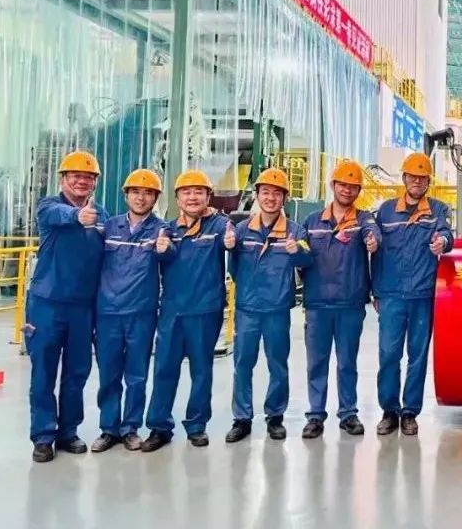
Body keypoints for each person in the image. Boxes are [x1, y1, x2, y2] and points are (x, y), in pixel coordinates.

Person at [26, 150, 108, 463]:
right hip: (47, 304)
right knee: (43, 372)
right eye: (75, 176)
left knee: (77, 373)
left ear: (95, 183)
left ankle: (68, 432)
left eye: (88, 177)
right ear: (63, 179)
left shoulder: (101, 215)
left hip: (83, 308)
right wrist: (76, 216)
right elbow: (58, 215)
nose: (81, 181)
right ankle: (43, 436)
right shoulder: (48, 206)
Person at [142, 170, 230, 452]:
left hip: (205, 311)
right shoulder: (167, 231)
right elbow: (157, 258)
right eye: (187, 192)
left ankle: (196, 425)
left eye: (198, 192)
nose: (193, 197)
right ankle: (159, 426)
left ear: (208, 196)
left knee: (201, 370)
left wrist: (231, 239)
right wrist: (161, 249)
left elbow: (233, 239)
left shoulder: (219, 226)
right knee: (164, 369)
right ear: (177, 198)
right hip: (172, 312)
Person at [223, 168, 312, 443]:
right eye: (265, 192)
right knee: (242, 363)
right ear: (257, 195)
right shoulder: (241, 230)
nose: (270, 198)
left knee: (278, 364)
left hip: (277, 309)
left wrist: (298, 252)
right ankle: (242, 418)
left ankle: (275, 416)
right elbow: (234, 268)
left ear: (284, 198)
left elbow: (308, 262)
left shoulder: (296, 231)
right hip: (248, 309)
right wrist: (230, 247)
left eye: (276, 193)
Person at [371, 152, 454, 436]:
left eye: (422, 178)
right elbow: (376, 251)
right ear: (404, 178)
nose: (417, 182)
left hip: (422, 295)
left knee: (417, 356)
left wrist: (443, 242)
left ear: (428, 182)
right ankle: (389, 410)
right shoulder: (386, 211)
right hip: (391, 294)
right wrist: (376, 291)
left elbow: (447, 235)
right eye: (413, 177)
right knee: (388, 354)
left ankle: (409, 412)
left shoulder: (438, 210)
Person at [300, 160, 381, 438]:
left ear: (359, 191)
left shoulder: (363, 219)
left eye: (353, 186)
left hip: (350, 303)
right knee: (317, 363)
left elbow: (373, 233)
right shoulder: (312, 222)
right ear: (333, 185)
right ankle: (315, 415)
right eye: (343, 185)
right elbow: (300, 255)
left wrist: (372, 241)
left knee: (347, 362)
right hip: (317, 304)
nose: (347, 190)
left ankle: (348, 413)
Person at [92, 169, 168, 453]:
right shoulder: (109, 227)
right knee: (109, 374)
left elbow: (172, 258)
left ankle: (130, 428)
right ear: (126, 195)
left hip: (141, 313)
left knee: (136, 375)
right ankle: (108, 429)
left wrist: (165, 249)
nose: (141, 198)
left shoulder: (162, 230)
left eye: (148, 193)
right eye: (135, 192)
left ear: (155, 198)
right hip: (108, 313)